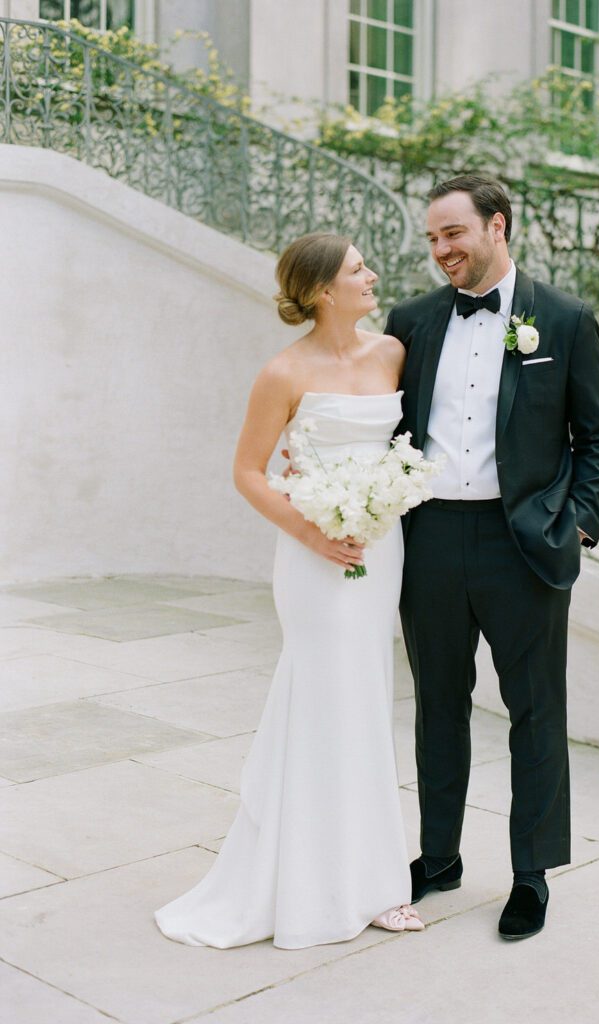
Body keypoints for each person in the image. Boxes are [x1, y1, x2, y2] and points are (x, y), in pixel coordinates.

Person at [154, 232, 423, 949]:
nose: (372, 275)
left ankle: (375, 882)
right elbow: (247, 470)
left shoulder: (393, 352)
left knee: (366, 699)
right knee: (322, 698)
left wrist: (382, 502)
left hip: (379, 547)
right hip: (312, 555)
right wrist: (311, 531)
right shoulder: (283, 371)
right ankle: (307, 882)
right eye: (357, 269)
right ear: (322, 292)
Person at [385, 174, 599, 940]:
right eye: (432, 239)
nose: (441, 250)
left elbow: (597, 437)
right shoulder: (412, 321)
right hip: (432, 539)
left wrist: (577, 523)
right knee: (437, 707)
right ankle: (440, 856)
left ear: (498, 226)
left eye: (453, 233)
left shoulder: (564, 318)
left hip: (525, 544)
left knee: (535, 711)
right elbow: (393, 428)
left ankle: (531, 875)